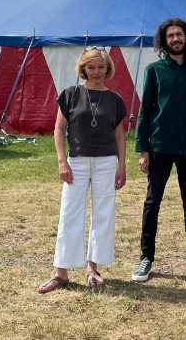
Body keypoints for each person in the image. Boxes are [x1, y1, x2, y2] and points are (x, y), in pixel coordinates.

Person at [37, 47, 127, 293]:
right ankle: (61, 272)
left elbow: (120, 135)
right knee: (70, 213)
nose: (96, 72)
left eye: (101, 67)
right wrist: (61, 161)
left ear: (107, 68)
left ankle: (92, 268)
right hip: (76, 161)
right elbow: (58, 129)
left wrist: (122, 166)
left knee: (103, 214)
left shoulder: (116, 99)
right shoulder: (70, 94)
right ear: (83, 68)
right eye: (91, 67)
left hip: (106, 162)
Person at [132, 18, 186, 282]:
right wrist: (142, 148)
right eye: (170, 36)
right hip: (160, 146)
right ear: (164, 41)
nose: (176, 39)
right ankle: (146, 258)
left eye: (179, 34)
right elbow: (145, 111)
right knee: (152, 201)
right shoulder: (155, 70)